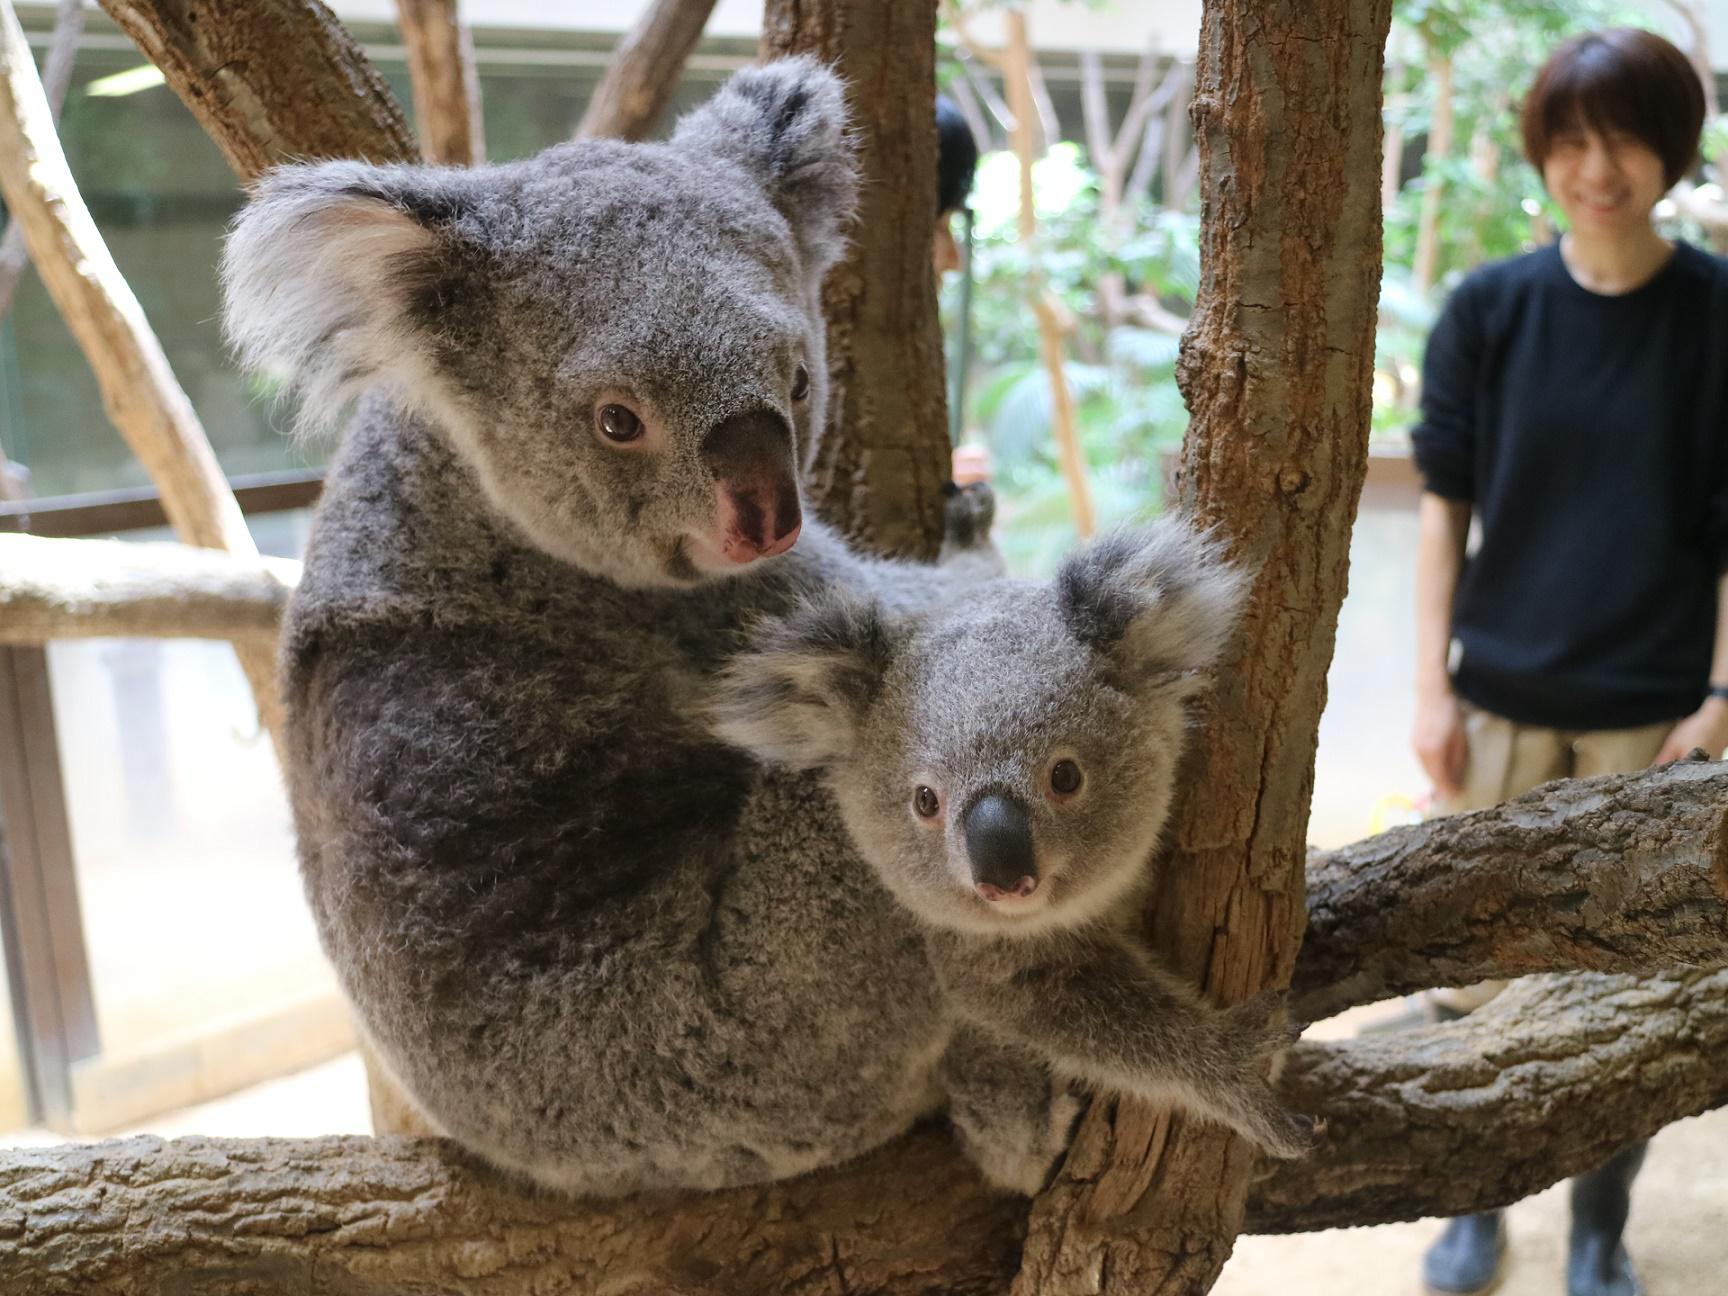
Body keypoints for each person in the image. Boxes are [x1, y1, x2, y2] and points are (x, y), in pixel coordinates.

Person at [1409, 27, 1728, 1296]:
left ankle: (1599, 1229)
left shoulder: (1719, 316)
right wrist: (1432, 683)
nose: (1601, 166)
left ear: (1672, 153)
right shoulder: (1489, 310)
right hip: (1499, 698)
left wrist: (1720, 698)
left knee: (1624, 1002)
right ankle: (1476, 1206)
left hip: (1653, 713)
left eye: (1629, 136)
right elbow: (1445, 509)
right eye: (1575, 139)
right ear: (1544, 153)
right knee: (1467, 976)